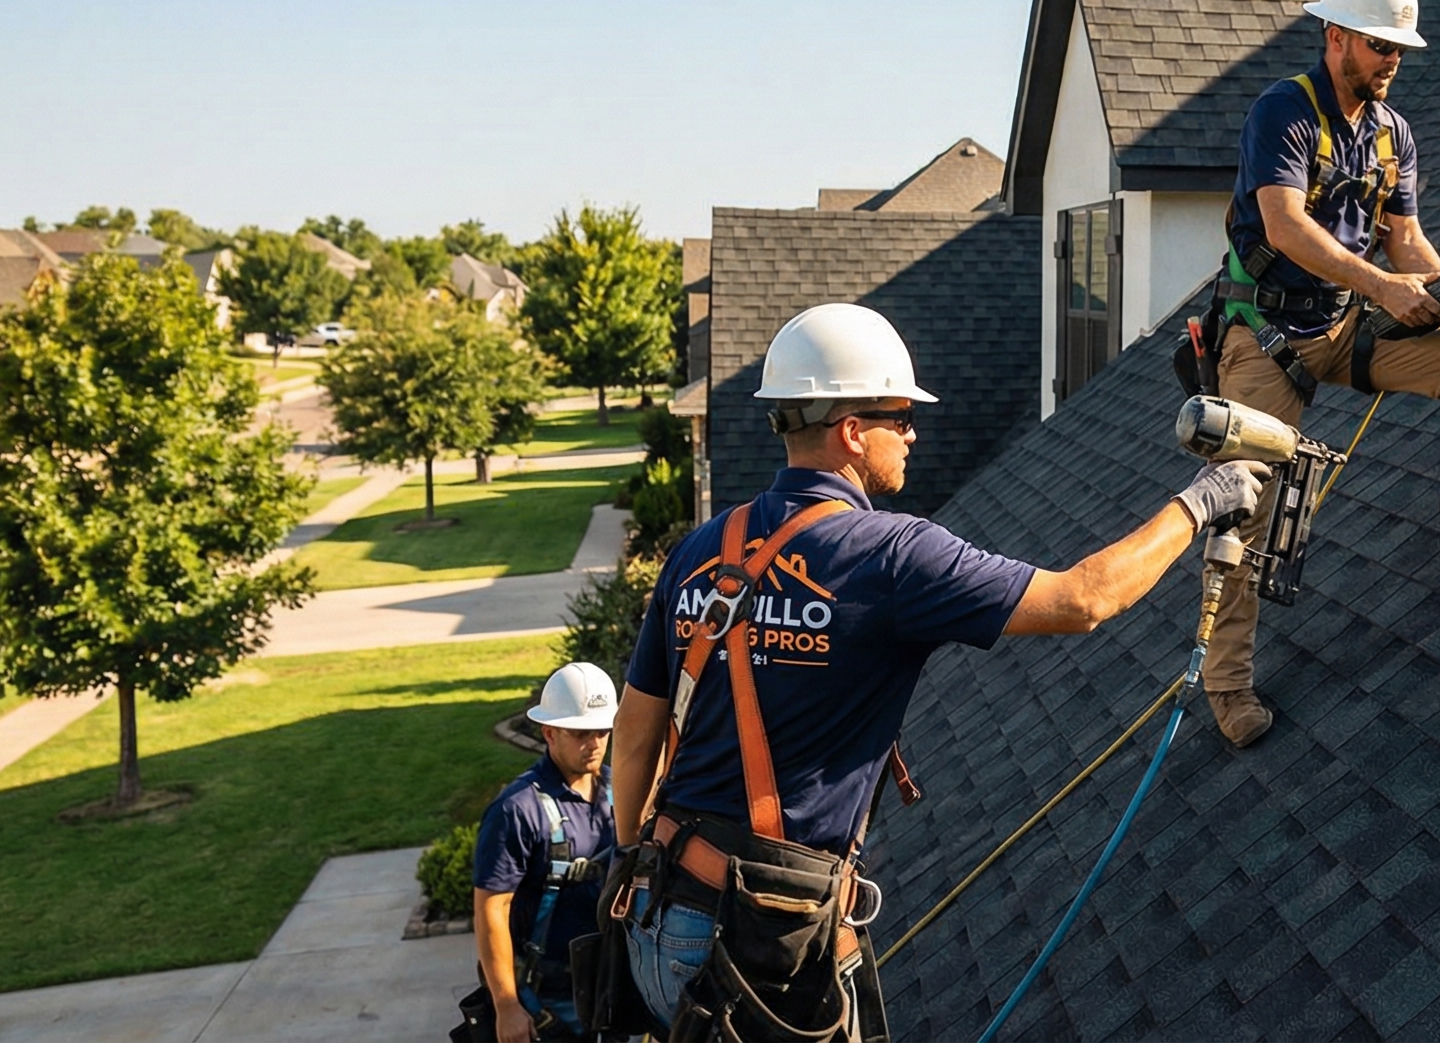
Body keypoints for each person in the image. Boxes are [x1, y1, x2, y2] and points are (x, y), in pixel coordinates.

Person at [607, 303, 1268, 1042]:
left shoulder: (702, 548)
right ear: (852, 431)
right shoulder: (890, 554)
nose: (915, 432)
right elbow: (1083, 599)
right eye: (900, 415)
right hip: (760, 946)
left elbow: (634, 738)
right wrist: (1199, 502)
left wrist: (637, 855)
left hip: (660, 923)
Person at [1199, 0, 1440, 750]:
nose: (1393, 61)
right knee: (1248, 498)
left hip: (1344, 326)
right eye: (1379, 46)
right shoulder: (1284, 114)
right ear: (1335, 37)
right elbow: (1284, 228)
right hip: (1266, 336)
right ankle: (1226, 684)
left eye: (1399, 49)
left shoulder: (1392, 133)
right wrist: (1384, 288)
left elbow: (1405, 240)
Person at [464, 661, 622, 1043]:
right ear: (549, 732)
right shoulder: (517, 810)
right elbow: (491, 909)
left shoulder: (619, 791)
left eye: (602, 730)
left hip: (613, 986)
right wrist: (506, 1006)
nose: (595, 743)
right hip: (548, 1000)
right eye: (581, 732)